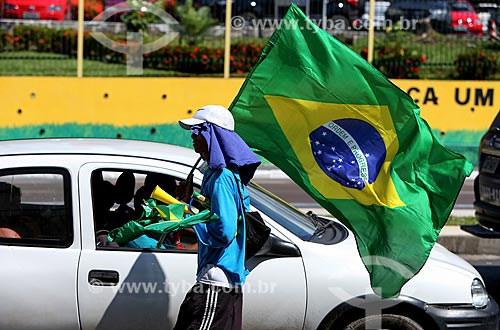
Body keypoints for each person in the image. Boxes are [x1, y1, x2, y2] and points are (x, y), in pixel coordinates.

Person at [173, 105, 260, 330]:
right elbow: (216, 212)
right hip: (222, 282)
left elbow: (223, 230)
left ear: (212, 136)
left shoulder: (221, 178)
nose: (193, 136)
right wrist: (190, 201)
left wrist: (184, 222)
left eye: (198, 131)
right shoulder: (225, 174)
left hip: (215, 282)